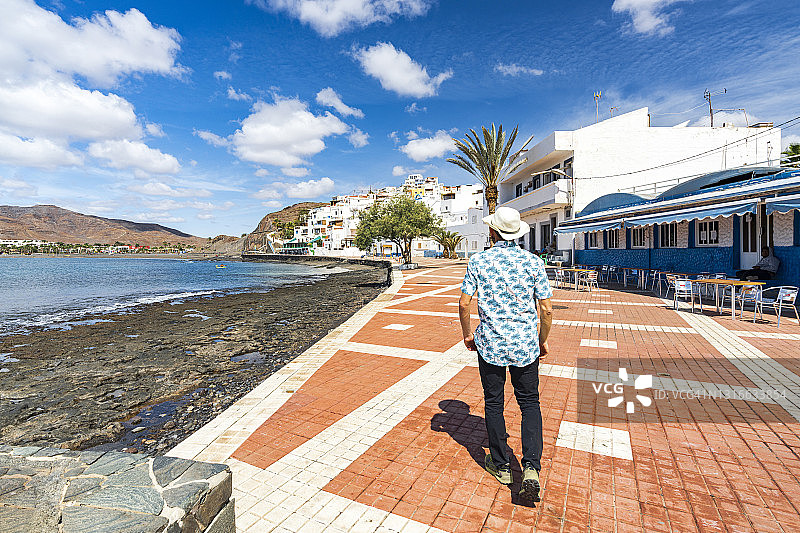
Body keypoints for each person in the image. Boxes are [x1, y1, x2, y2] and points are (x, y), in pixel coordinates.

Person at [458, 206, 553, 503]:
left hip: (491, 345)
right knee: (530, 403)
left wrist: (468, 334)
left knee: (494, 402)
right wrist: (541, 340)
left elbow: (463, 304)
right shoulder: (533, 263)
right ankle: (531, 468)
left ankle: (500, 465)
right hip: (526, 345)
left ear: (492, 231)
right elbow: (547, 309)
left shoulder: (479, 261)